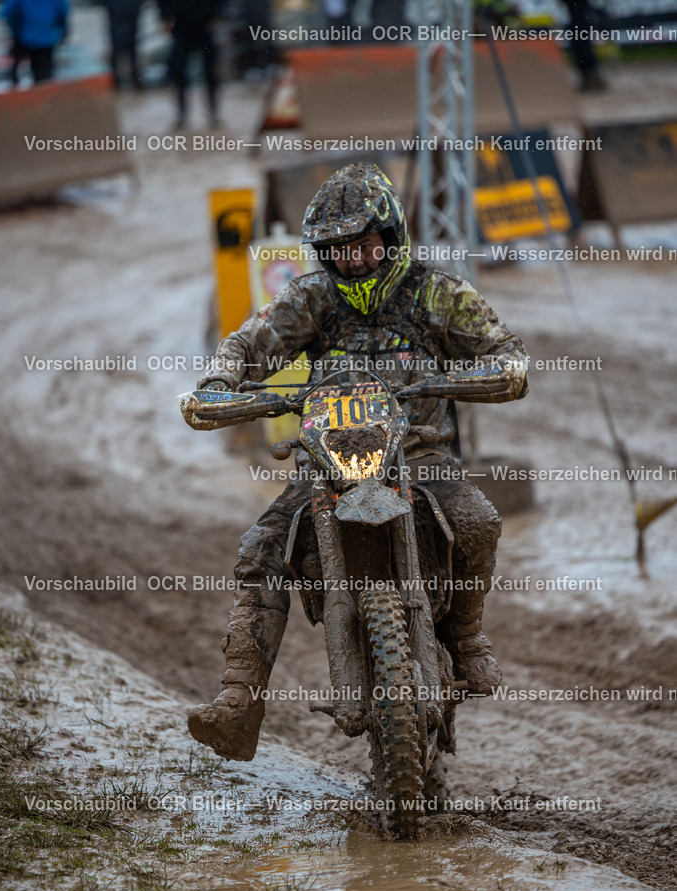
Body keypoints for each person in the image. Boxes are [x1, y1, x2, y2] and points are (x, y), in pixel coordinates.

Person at [187, 163, 528, 763]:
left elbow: (505, 350)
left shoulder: (437, 293)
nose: (351, 259)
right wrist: (220, 381)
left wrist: (498, 371)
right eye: (336, 249)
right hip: (327, 464)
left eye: (363, 244)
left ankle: (467, 639)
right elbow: (248, 342)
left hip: (420, 455)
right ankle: (239, 701)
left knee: (479, 521)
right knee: (260, 548)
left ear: (390, 235)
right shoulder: (311, 298)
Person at [158, 0, 220, 128]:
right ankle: (182, 116)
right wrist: (165, 17)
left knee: (211, 71)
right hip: (180, 25)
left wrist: (218, 15)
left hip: (206, 24)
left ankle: (213, 116)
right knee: (178, 70)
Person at [3, 0, 68, 85]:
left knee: (15, 73)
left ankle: (15, 87)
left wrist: (14, 30)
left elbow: (9, 12)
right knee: (43, 77)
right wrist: (63, 32)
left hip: (24, 37)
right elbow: (62, 13)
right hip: (46, 40)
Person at [102, 0, 143, 90]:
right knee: (118, 47)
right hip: (117, 13)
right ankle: (116, 79)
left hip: (129, 13)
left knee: (131, 46)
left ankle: (134, 77)